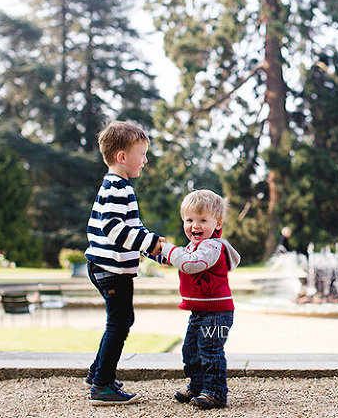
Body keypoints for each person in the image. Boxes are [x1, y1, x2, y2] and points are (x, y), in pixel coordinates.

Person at [84, 121, 163, 405]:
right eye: (141, 154)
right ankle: (102, 385)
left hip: (106, 266)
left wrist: (154, 248)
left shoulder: (116, 185)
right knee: (118, 323)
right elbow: (114, 229)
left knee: (122, 320)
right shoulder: (118, 187)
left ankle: (97, 373)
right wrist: (149, 243)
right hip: (111, 269)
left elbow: (133, 229)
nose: (145, 160)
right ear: (122, 157)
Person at [159, 189, 241, 409]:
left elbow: (191, 264)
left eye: (203, 220)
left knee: (210, 350)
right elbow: (182, 259)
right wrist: (160, 252)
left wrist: (169, 249)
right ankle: (198, 386)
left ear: (217, 224)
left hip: (217, 313)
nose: (195, 225)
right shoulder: (194, 246)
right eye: (189, 220)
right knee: (191, 350)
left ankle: (215, 392)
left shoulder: (212, 246)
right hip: (200, 311)